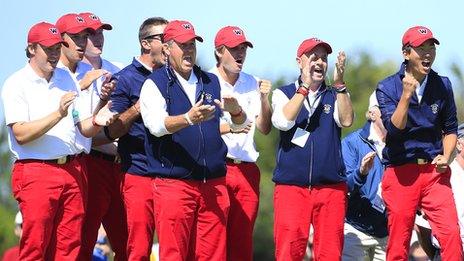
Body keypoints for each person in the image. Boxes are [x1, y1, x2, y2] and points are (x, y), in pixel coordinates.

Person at [1, 21, 114, 261]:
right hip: (36, 170)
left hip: (73, 169)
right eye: (48, 48)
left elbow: (82, 127)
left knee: (69, 247)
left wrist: (99, 116)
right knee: (36, 246)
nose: (54, 54)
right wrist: (57, 114)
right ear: (32, 49)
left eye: (57, 48)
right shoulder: (16, 83)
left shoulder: (66, 78)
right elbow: (21, 133)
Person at [139, 20, 246, 260]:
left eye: (192, 45)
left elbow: (239, 125)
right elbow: (156, 126)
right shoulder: (153, 84)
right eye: (182, 45)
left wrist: (237, 112)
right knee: (175, 254)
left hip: (214, 184)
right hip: (174, 185)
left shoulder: (211, 81)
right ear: (166, 48)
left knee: (214, 256)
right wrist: (188, 118)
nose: (189, 51)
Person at [376, 25, 463, 260]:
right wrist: (405, 96)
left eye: (431, 48)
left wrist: (446, 156)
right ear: (406, 53)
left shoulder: (442, 84)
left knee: (452, 234)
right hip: (400, 172)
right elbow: (394, 129)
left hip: (435, 172)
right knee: (398, 242)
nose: (427, 53)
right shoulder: (387, 87)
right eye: (420, 48)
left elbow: (451, 129)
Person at [271, 37, 354, 260]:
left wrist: (340, 85)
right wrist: (304, 87)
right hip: (291, 188)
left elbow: (347, 120)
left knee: (330, 253)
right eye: (314, 57)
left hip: (330, 189)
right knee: (289, 252)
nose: (320, 62)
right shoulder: (283, 93)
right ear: (300, 62)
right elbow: (283, 121)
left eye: (324, 58)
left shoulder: (336, 94)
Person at [209, 25, 272, 261]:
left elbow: (265, 129)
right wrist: (232, 124)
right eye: (234, 48)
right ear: (219, 51)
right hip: (216, 169)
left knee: (242, 244)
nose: (241, 53)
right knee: (215, 241)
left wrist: (265, 100)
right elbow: (198, 128)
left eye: (244, 48)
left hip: (246, 170)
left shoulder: (253, 83)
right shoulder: (206, 80)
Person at [108, 17, 168, 260]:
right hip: (138, 172)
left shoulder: (174, 77)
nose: (169, 45)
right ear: (145, 43)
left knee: (177, 247)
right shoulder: (123, 79)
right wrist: (135, 109)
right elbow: (112, 132)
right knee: (138, 249)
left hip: (172, 174)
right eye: (163, 39)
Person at [76, 12, 128, 261]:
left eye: (100, 32)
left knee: (129, 242)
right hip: (90, 162)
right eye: (90, 33)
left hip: (121, 165)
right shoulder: (70, 74)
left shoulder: (118, 69)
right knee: (83, 243)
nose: (98, 38)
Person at [341, 93, 388, 260]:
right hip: (355, 229)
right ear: (372, 114)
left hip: (388, 232)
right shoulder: (351, 142)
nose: (393, 112)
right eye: (387, 108)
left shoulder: (400, 146)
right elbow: (343, 186)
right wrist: (361, 172)